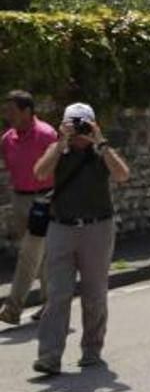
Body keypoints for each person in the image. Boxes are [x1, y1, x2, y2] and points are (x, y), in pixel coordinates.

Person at [30, 102, 132, 374]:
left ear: (93, 124)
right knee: (57, 294)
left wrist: (100, 141)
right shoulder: (58, 151)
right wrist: (60, 142)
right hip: (61, 228)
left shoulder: (100, 152)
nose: (78, 131)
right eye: (74, 124)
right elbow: (40, 173)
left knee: (94, 292)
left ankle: (91, 350)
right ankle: (49, 356)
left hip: (97, 228)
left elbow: (122, 175)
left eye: (83, 125)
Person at [0, 90, 57, 325]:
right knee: (40, 256)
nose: (7, 115)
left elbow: (60, 168)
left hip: (43, 200)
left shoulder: (46, 135)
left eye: (12, 111)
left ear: (27, 111)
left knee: (28, 254)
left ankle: (12, 309)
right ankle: (51, 304)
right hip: (20, 198)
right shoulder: (7, 139)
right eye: (6, 111)